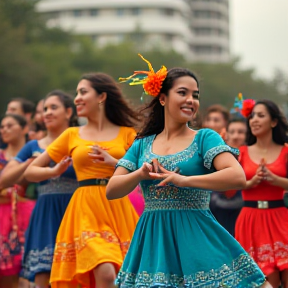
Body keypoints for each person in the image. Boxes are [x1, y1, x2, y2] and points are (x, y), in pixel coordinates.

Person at [106, 55, 270, 288]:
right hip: (153, 242)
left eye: (195, 95)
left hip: (198, 236)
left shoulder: (205, 137)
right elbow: (112, 190)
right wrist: (140, 174)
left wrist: (184, 180)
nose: (191, 100)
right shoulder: (141, 144)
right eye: (183, 93)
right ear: (162, 98)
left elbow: (237, 177)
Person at [24, 73, 139, 288]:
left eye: (83, 92)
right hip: (86, 208)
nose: (76, 98)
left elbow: (143, 170)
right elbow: (31, 172)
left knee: (122, 275)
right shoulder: (71, 135)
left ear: (101, 97)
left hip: (118, 207)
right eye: (77, 93)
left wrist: (114, 162)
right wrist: (53, 171)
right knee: (105, 272)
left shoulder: (127, 133)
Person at [0, 91, 79, 288]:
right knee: (44, 273)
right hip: (45, 214)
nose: (47, 113)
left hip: (75, 210)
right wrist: (30, 163)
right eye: (45, 109)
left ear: (69, 111)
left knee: (77, 274)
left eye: (54, 108)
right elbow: (3, 180)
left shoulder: (81, 140)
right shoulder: (33, 146)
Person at [236, 99, 288, 288]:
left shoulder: (286, 151)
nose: (254, 120)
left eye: (261, 115)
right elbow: (228, 188)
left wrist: (277, 180)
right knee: (266, 280)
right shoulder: (241, 152)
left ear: (274, 122)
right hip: (251, 221)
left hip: (281, 219)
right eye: (252, 116)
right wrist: (249, 183)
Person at [0, 114, 35, 288]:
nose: (4, 129)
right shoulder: (0, 156)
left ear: (24, 129)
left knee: (25, 272)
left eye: (9, 125)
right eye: (2, 126)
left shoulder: (35, 152)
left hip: (27, 215)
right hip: (2, 216)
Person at [210, 117, 247, 236]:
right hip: (217, 216)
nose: (236, 136)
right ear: (226, 134)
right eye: (232, 132)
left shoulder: (253, 158)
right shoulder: (216, 157)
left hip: (244, 215)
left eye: (241, 132)